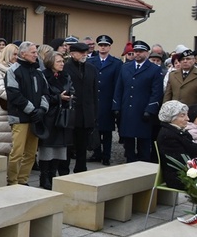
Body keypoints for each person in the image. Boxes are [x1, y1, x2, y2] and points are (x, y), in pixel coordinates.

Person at [113, 40, 164, 162]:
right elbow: (119, 88)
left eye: (140, 52)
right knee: (128, 141)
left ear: (147, 53)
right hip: (127, 109)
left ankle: (143, 166)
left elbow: (156, 92)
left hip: (143, 110)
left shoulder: (154, 69)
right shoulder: (125, 67)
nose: (137, 54)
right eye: (135, 51)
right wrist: (116, 107)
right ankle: (129, 163)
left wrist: (150, 109)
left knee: (144, 142)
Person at [6, 41, 49, 185]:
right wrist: (32, 110)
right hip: (20, 118)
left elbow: (45, 93)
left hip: (36, 118)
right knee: (17, 153)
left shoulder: (38, 72)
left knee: (31, 154)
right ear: (23, 54)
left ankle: (23, 180)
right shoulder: (13, 71)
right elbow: (14, 94)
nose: (36, 55)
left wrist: (42, 109)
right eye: (33, 52)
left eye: (36, 52)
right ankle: (12, 182)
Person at [156, 100, 197, 189]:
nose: (188, 119)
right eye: (183, 115)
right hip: (180, 178)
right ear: (172, 118)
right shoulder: (168, 136)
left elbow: (195, 153)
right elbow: (185, 162)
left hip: (190, 173)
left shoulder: (180, 132)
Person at [38, 52, 73, 188]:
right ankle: (44, 176)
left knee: (59, 148)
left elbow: (71, 89)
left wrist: (69, 96)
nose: (62, 64)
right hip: (49, 116)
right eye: (58, 61)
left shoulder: (66, 76)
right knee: (47, 147)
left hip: (62, 116)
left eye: (62, 61)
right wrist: (58, 97)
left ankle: (53, 174)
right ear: (51, 62)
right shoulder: (43, 76)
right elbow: (43, 95)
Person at [63, 42, 98, 174]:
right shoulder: (65, 68)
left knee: (83, 146)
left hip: (86, 113)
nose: (85, 55)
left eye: (86, 52)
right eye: (81, 53)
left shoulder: (91, 68)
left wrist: (94, 114)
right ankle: (64, 171)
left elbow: (94, 93)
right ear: (72, 54)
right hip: (71, 113)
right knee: (68, 146)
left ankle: (81, 169)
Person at [87, 35, 122, 165]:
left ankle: (106, 156)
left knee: (107, 131)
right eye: (101, 45)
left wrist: (115, 104)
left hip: (108, 101)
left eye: (105, 45)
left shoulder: (116, 63)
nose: (103, 47)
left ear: (109, 47)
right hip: (94, 101)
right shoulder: (91, 61)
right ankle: (96, 153)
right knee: (95, 129)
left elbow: (118, 84)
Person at [0, 43, 18, 156]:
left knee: (13, 145)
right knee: (2, 144)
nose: (16, 56)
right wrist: (18, 97)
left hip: (14, 109)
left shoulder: (17, 68)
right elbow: (0, 90)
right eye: (14, 54)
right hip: (2, 110)